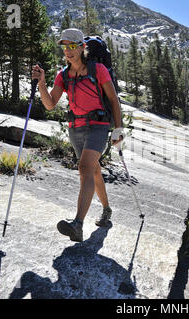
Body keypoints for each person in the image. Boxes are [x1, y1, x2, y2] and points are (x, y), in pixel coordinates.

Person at [32, 28, 123, 242]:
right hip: (76, 128)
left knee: (84, 168)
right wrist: (42, 83)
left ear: (82, 47)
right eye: (65, 47)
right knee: (94, 171)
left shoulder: (98, 69)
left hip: (98, 126)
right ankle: (107, 210)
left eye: (72, 46)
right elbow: (50, 104)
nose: (68, 51)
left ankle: (78, 225)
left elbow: (113, 100)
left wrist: (117, 129)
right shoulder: (63, 75)